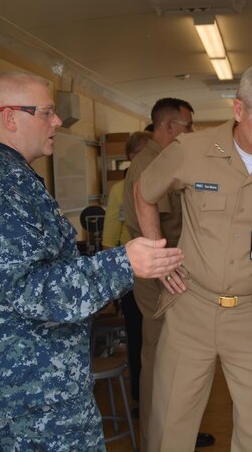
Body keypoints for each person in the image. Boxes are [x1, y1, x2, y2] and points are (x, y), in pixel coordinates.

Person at [0, 71, 183, 452]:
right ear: (10, 117)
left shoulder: (9, 175)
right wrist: (124, 262)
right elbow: (32, 288)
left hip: (39, 387)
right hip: (34, 393)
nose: (57, 121)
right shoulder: (0, 180)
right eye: (47, 112)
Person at [135, 63, 252, 452]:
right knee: (171, 424)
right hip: (191, 308)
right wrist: (158, 256)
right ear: (238, 110)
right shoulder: (192, 150)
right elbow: (144, 191)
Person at [123, 98, 213, 450]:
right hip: (161, 271)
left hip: (167, 268)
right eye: (188, 126)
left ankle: (171, 434)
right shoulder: (152, 164)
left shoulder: (158, 160)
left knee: (168, 360)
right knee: (160, 360)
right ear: (169, 127)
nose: (191, 133)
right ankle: (155, 440)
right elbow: (156, 227)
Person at [101, 130, 151, 416]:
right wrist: (112, 287)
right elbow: (109, 237)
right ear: (132, 157)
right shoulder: (120, 190)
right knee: (136, 335)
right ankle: (140, 399)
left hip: (157, 269)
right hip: (130, 271)